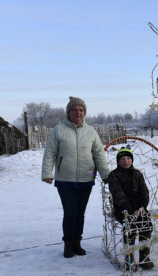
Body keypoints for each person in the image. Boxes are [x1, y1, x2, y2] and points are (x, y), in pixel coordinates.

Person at [41, 96, 110, 258]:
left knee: (80, 213)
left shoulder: (91, 131)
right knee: (70, 212)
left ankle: (77, 242)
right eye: (74, 110)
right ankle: (68, 243)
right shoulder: (59, 130)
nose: (78, 113)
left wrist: (105, 174)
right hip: (65, 179)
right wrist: (47, 173)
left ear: (84, 113)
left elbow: (99, 154)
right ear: (68, 112)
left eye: (81, 110)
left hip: (86, 179)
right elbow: (50, 152)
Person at [108, 147, 154, 271]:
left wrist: (143, 207)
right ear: (118, 161)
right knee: (130, 227)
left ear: (132, 160)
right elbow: (118, 195)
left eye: (128, 158)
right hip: (122, 209)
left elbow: (144, 191)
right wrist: (129, 210)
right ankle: (130, 257)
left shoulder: (137, 174)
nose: (126, 161)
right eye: (122, 159)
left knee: (147, 224)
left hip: (139, 208)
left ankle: (144, 257)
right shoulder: (113, 175)